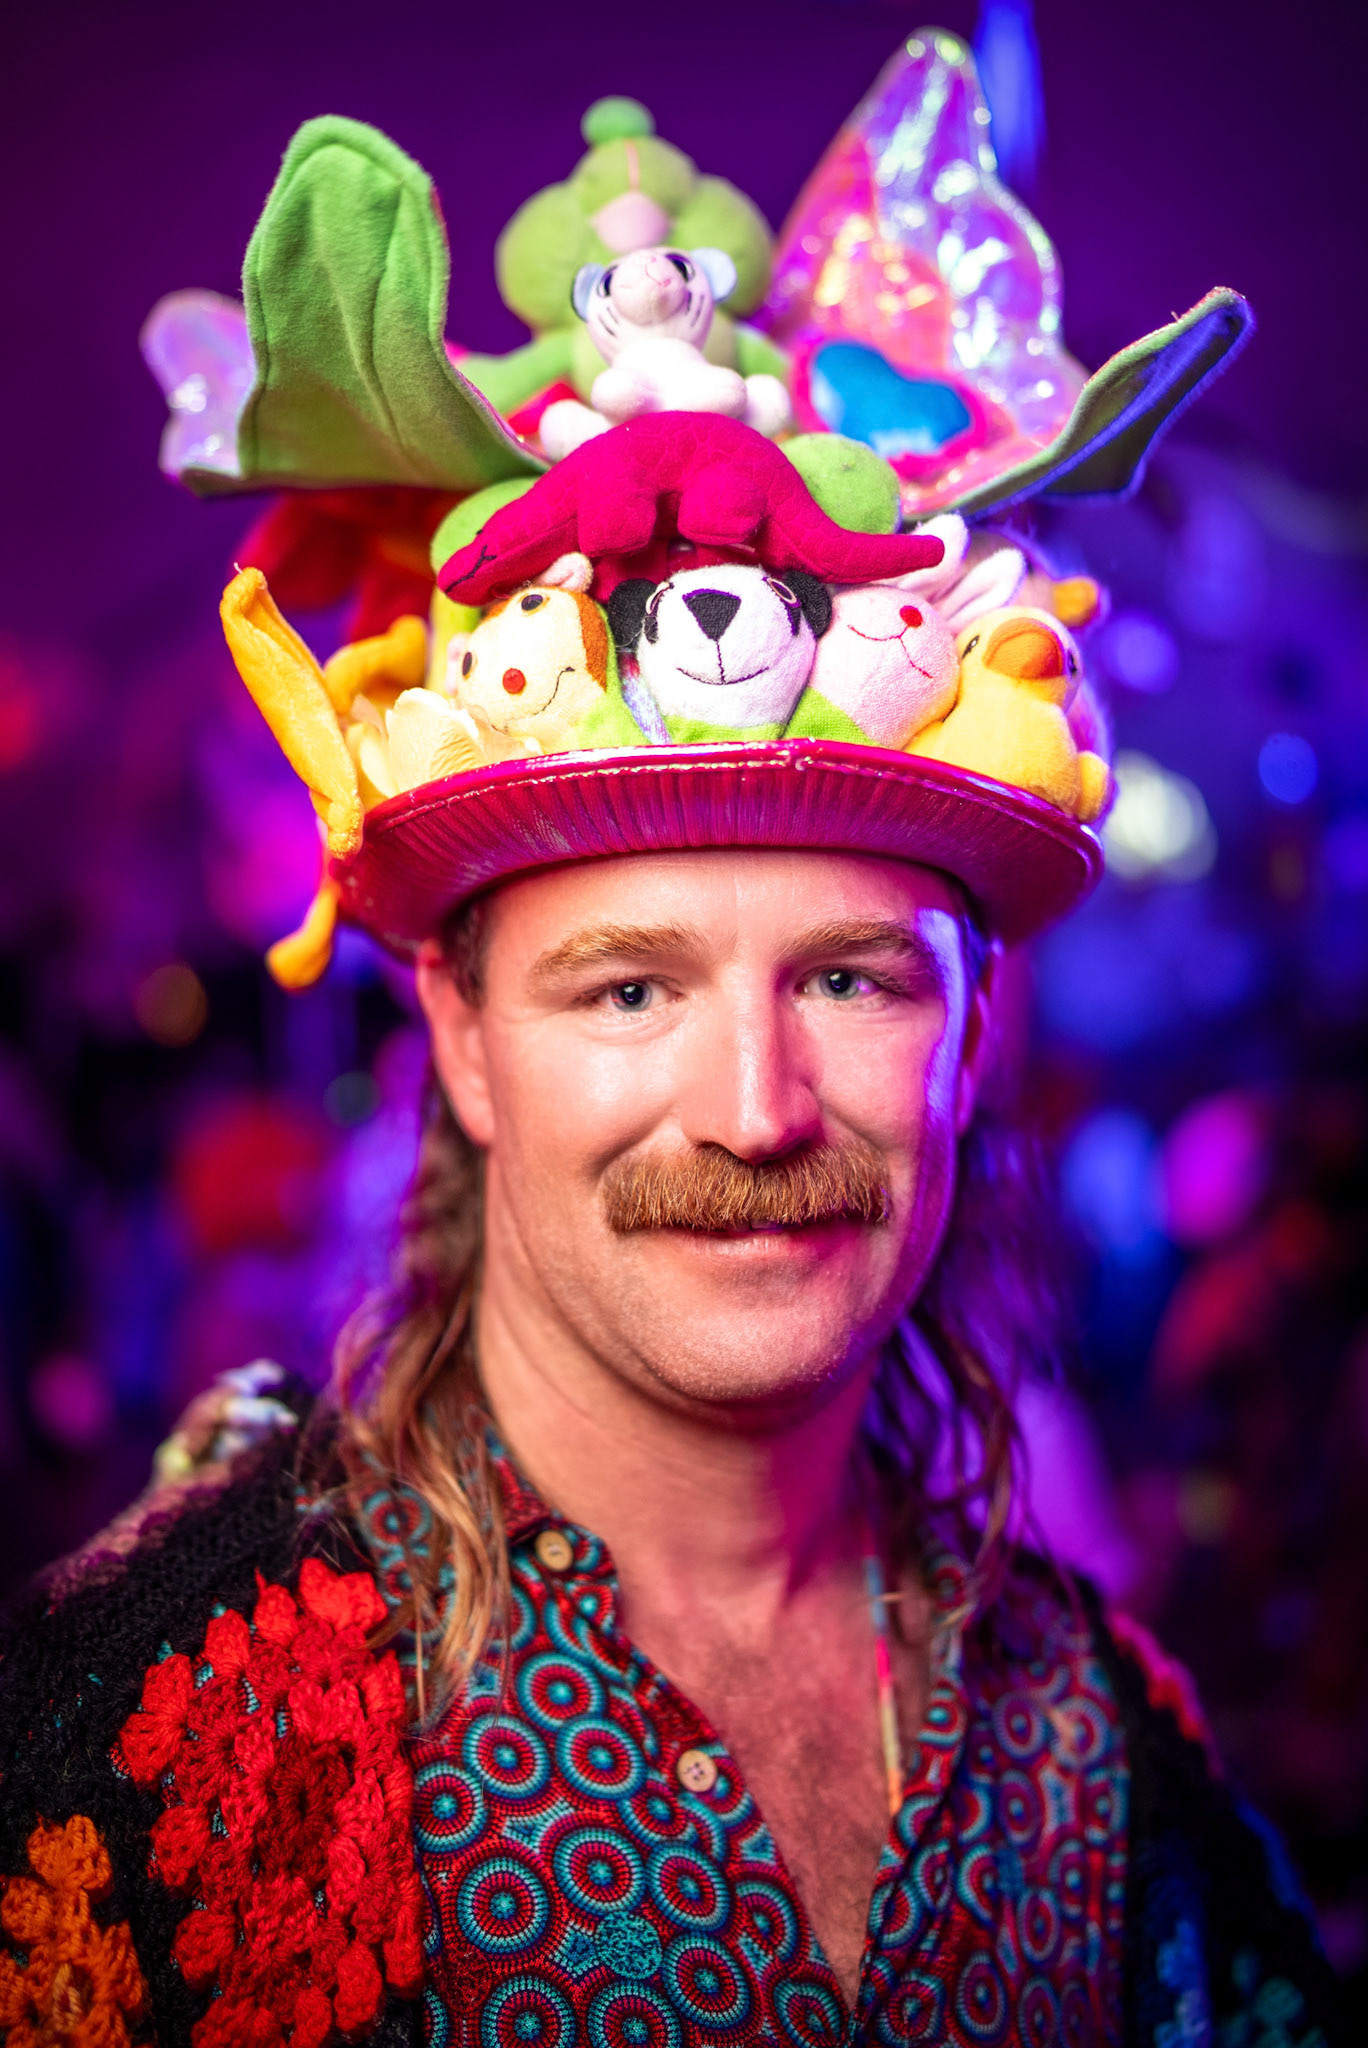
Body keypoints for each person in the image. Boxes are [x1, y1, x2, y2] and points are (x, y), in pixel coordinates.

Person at [0, 55, 1340, 2048]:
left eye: (852, 983)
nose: (756, 1110)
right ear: (464, 1042)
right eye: (628, 989)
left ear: (973, 1035)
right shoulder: (155, 1711)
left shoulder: (1093, 1726)